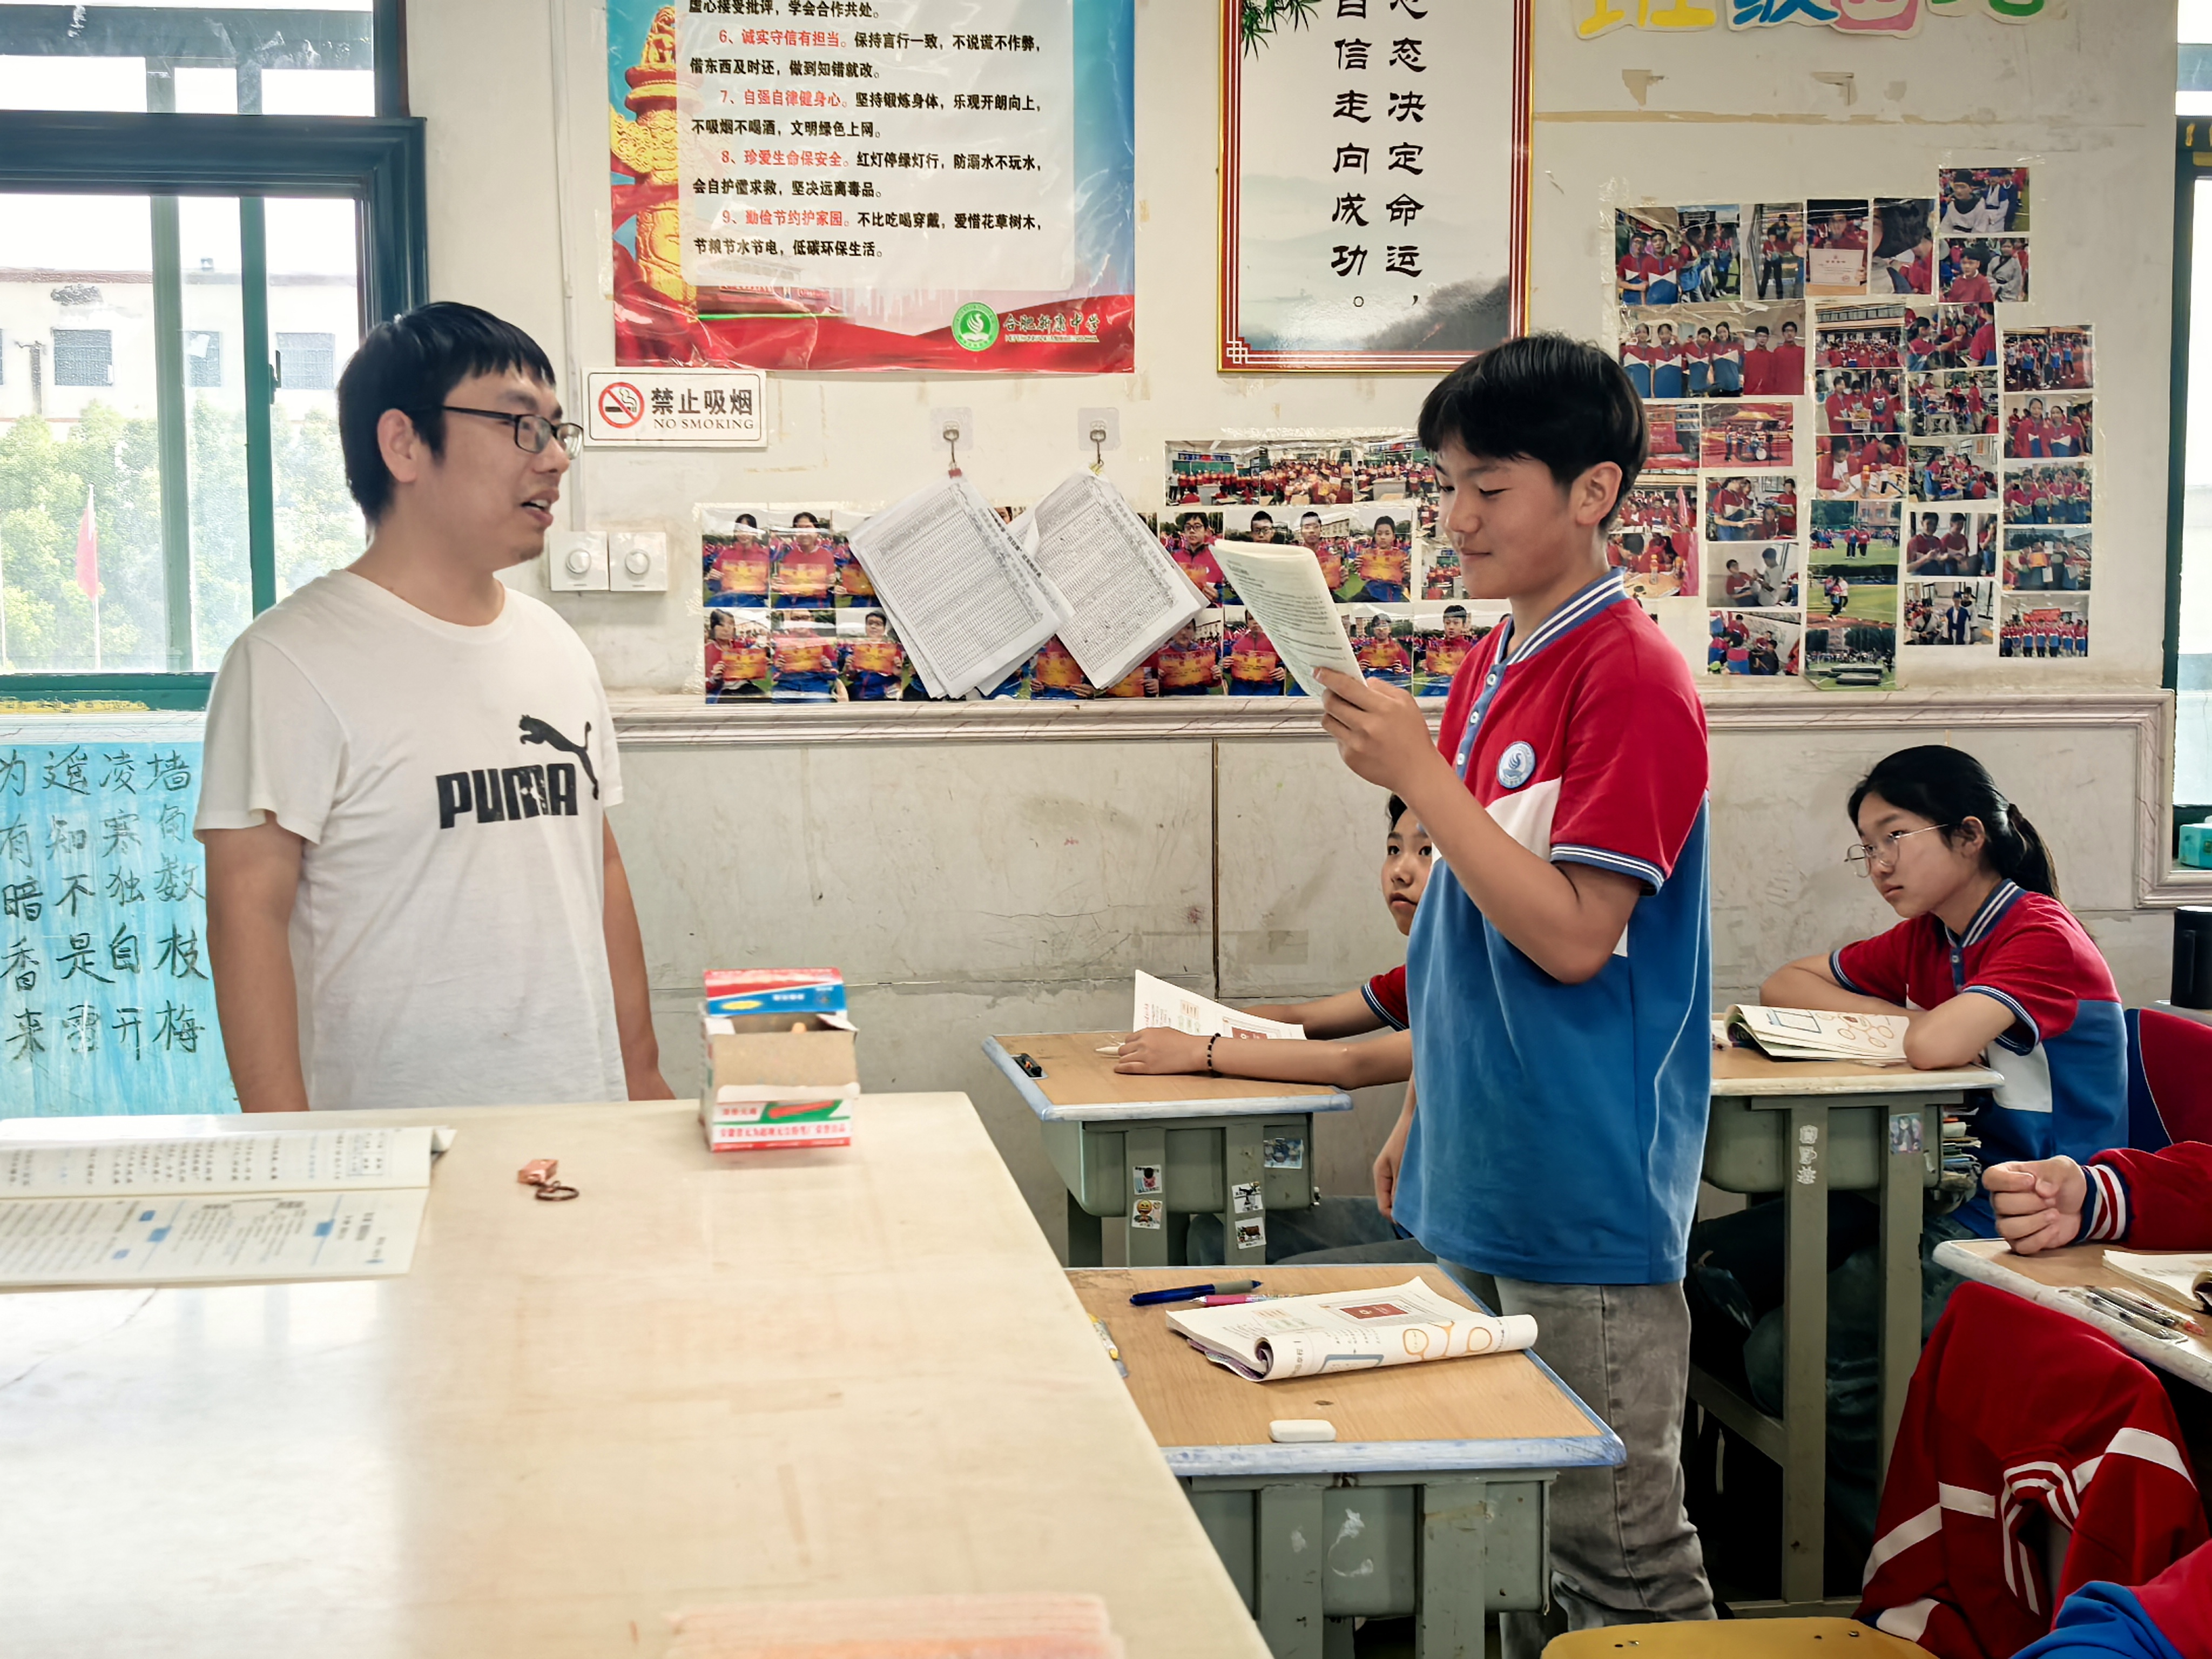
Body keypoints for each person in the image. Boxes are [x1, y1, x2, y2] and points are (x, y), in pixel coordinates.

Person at [1314, 335, 1717, 1650]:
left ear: (1592, 492)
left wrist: (1420, 777)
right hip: (1479, 1149)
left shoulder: (1631, 676)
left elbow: (1574, 940)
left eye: (1487, 487)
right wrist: (1421, 1103)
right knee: (1508, 1528)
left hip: (1578, 1175)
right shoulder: (1493, 660)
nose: (1455, 518)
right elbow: (1465, 919)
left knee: (1617, 1550)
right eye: (1447, 485)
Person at [198, 300, 671, 1112]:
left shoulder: (555, 645)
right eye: (521, 425)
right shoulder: (286, 662)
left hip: (581, 1125)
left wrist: (641, 1077)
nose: (557, 458)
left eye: (558, 429)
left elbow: (598, 865)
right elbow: (247, 916)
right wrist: (286, 1142)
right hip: (393, 1148)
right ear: (404, 443)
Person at [1694, 746, 2125, 1549]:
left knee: (1790, 1358)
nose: (1879, 865)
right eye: (1867, 846)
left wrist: (1917, 1030)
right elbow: (1786, 985)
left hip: (2026, 1225)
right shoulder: (1931, 938)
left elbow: (1934, 1048)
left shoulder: (2038, 933)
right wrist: (1907, 1023)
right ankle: (1773, 1524)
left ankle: (1899, 1554)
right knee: (1702, 1270)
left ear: (1970, 834)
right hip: (1932, 1190)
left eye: (1895, 836)